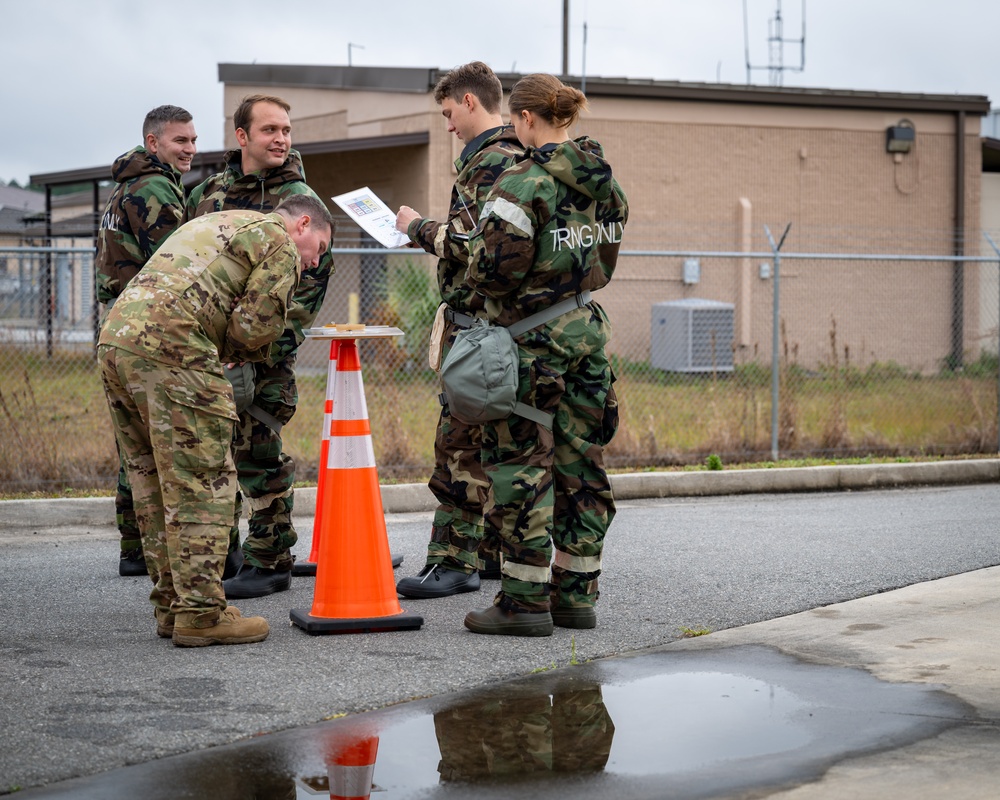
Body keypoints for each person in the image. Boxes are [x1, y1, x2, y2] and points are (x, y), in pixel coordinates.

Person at [98, 195, 334, 646]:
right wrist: (240, 351)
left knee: (151, 483)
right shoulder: (279, 242)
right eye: (318, 247)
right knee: (202, 480)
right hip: (173, 344)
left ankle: (173, 605)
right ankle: (202, 614)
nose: (314, 261)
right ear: (302, 224)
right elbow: (254, 327)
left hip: (118, 339)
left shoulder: (224, 219)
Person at [461, 73, 628, 637]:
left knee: (520, 466)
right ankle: (575, 595)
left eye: (514, 120)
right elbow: (606, 258)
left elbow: (495, 273)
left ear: (526, 120)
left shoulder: (521, 184)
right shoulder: (603, 183)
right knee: (582, 463)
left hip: (531, 347)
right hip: (587, 337)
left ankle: (524, 601)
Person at [186, 94, 336, 598]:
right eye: (270, 129)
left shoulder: (301, 201)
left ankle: (271, 559)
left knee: (259, 453)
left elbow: (310, 285)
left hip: (265, 357)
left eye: (287, 130)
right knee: (211, 455)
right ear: (242, 136)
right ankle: (224, 554)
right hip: (206, 353)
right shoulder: (208, 193)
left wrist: (258, 345)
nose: (281, 139)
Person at [393, 62, 524, 599]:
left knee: (459, 447)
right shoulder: (524, 156)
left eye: (449, 113)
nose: (447, 126)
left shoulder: (486, 162)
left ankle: (453, 562)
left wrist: (415, 228)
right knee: (501, 445)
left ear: (471, 102)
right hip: (512, 330)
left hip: (477, 332)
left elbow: (473, 246)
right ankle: (492, 553)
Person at [95, 104, 205, 578]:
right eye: (181, 141)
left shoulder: (127, 184)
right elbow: (174, 262)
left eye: (194, 140)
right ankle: (147, 547)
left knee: (133, 442)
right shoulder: (155, 188)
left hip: (120, 324)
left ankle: (133, 547)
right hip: (149, 327)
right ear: (154, 143)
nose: (190, 149)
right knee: (155, 444)